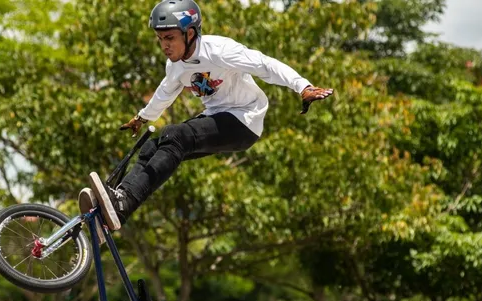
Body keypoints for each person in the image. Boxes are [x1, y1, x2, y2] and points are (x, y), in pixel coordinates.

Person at [79, 0, 334, 231]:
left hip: (244, 120)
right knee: (151, 145)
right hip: (215, 116)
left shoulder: (220, 50)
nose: (164, 45)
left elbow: (265, 65)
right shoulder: (175, 66)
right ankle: (120, 206)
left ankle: (124, 200)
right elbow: (165, 92)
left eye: (169, 37)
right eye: (159, 39)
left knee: (175, 135)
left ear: (189, 33)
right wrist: (143, 118)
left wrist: (303, 86)